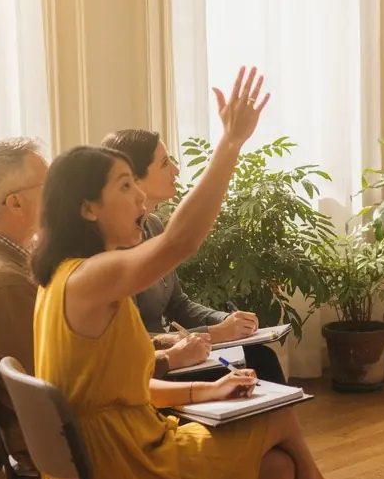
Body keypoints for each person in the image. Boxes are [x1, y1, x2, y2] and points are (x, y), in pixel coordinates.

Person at [31, 69, 381, 479]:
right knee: (278, 411)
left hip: (99, 471)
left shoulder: (63, 279)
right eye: (124, 187)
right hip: (122, 478)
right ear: (87, 207)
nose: (141, 199)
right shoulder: (91, 278)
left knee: (276, 472)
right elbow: (180, 243)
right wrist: (230, 144)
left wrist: (206, 387)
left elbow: (115, 387)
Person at [101, 128, 287, 384]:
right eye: (165, 163)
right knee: (260, 362)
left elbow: (178, 304)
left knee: (259, 355)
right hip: (155, 363)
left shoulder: (153, 225)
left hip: (178, 349)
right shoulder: (112, 246)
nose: (176, 170)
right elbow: (134, 339)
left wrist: (227, 321)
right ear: (134, 179)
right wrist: (215, 334)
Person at [0, 138, 49, 461]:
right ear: (15, 203)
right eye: (48, 186)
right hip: (54, 437)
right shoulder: (3, 282)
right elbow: (49, 377)